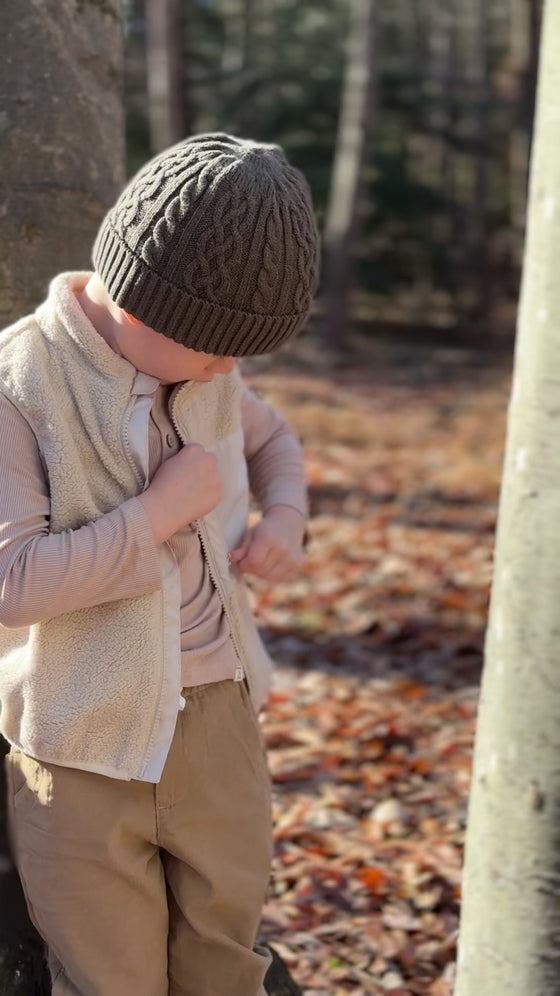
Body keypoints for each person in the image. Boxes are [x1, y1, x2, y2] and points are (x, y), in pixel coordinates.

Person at [0, 132, 319, 996]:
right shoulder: (20, 384)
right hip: (78, 738)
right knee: (109, 978)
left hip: (216, 712)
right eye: (216, 350)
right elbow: (12, 586)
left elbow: (276, 439)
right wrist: (157, 515)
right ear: (142, 308)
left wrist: (286, 515)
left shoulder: (208, 362)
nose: (228, 370)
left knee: (227, 962)